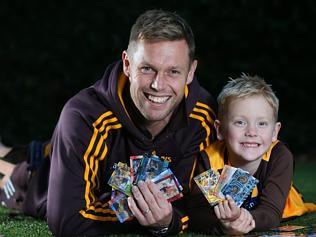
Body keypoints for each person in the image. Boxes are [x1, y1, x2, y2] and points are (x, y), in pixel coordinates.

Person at [0, 9, 217, 236]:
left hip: (73, 159)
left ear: (191, 71)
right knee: (16, 175)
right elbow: (68, 221)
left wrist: (168, 220)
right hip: (41, 174)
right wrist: (149, 215)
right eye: (147, 68)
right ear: (127, 64)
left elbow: (197, 205)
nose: (157, 85)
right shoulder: (83, 116)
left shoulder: (203, 116)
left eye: (173, 71)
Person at [188, 74, 316, 235]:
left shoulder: (279, 155)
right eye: (240, 122)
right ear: (220, 130)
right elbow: (197, 212)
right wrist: (223, 226)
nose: (252, 132)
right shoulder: (208, 159)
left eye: (262, 123)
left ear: (275, 132)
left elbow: (271, 212)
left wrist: (243, 219)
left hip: (285, 211)